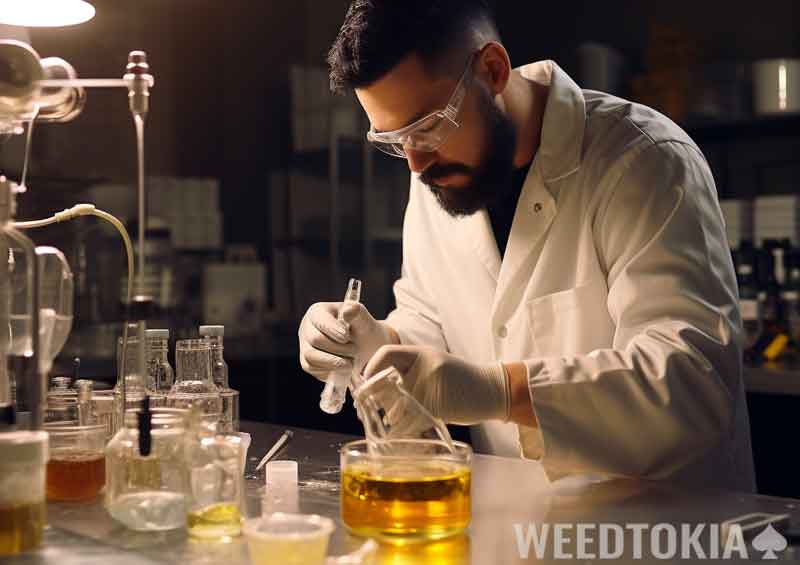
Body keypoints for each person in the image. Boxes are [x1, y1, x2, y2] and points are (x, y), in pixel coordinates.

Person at [298, 0, 755, 491]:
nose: (413, 162)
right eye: (394, 140)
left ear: (492, 70)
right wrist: (378, 342)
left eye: (427, 126)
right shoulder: (437, 173)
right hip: (518, 523)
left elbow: (690, 384)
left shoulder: (645, 160)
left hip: (663, 525)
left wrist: (501, 391)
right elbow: (432, 320)